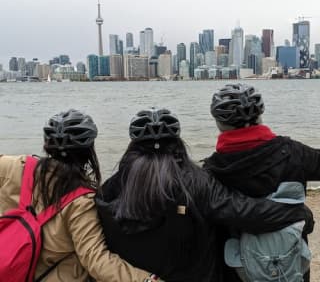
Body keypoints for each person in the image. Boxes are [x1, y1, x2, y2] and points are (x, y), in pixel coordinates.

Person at [96, 107, 313, 282]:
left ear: (133, 146)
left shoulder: (111, 189)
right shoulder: (195, 181)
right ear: (177, 143)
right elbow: (244, 211)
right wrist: (295, 212)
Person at [0, 109, 160, 282]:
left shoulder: (15, 167)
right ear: (88, 152)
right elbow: (96, 260)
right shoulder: (81, 202)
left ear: (48, 144)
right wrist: (147, 280)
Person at [203, 83, 320, 282]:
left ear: (219, 123)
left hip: (238, 270)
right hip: (292, 266)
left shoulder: (210, 172)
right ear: (259, 116)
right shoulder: (293, 153)